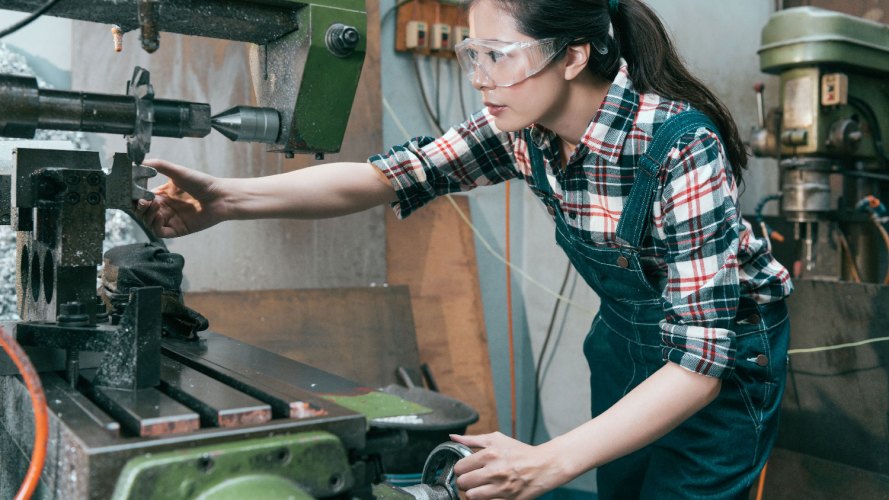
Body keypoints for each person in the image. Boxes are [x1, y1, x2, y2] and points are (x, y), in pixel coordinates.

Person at [136, 0, 793, 498]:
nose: (479, 76)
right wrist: (228, 199)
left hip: (724, 359)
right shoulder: (520, 128)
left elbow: (700, 363)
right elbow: (385, 177)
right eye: (471, 54)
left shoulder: (678, 144)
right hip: (624, 339)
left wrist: (549, 457)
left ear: (571, 55)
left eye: (498, 55)